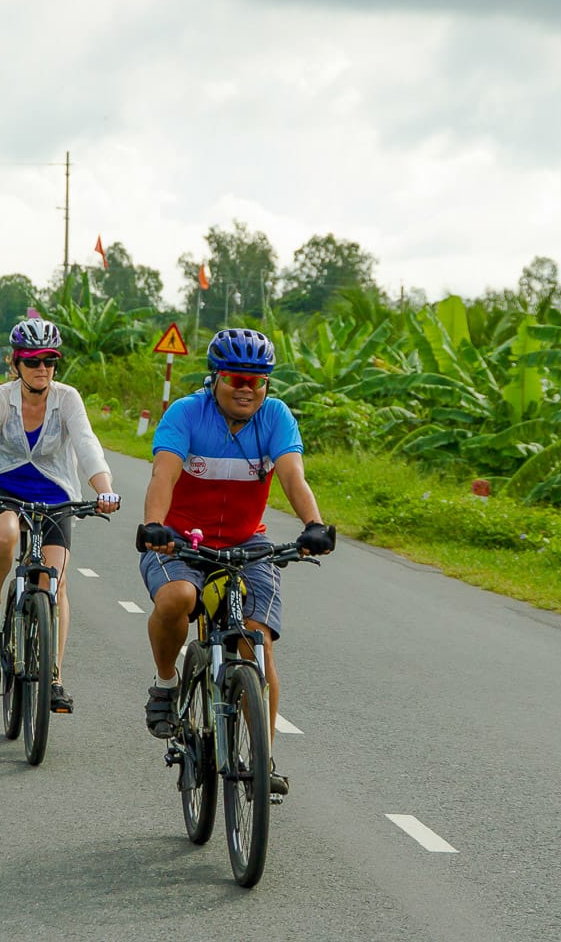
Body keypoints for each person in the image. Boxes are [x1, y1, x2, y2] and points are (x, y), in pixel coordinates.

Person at [135, 328, 336, 799]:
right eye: (235, 378)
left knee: (257, 648)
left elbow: (292, 474)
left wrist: (313, 524)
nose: (246, 388)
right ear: (215, 379)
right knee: (178, 597)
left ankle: (262, 761)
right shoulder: (186, 414)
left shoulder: (276, 417)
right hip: (181, 543)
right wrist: (154, 526)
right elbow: (163, 473)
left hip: (248, 545)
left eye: (257, 380)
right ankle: (166, 685)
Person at [0, 316, 121, 715]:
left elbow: (86, 443)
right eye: (32, 361)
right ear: (16, 364)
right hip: (3, 483)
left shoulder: (67, 398)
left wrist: (104, 490)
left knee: (57, 583)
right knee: (4, 535)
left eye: (49, 361)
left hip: (54, 489)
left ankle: (53, 677)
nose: (42, 369)